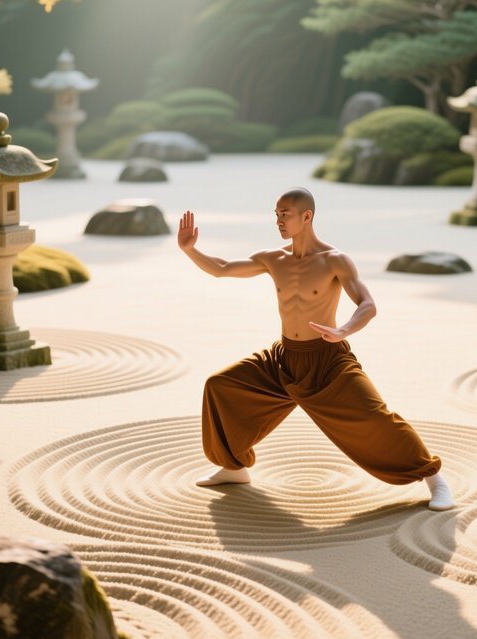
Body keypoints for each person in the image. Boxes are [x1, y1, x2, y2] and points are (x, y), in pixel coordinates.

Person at [177, 188, 455, 511]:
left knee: (376, 417)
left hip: (327, 360)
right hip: (283, 358)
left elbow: (367, 304)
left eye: (285, 214)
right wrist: (190, 250)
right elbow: (222, 268)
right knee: (220, 386)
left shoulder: (334, 260)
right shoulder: (273, 258)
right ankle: (235, 468)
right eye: (276, 214)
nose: (278, 220)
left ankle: (435, 479)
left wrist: (343, 330)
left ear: (306, 216)